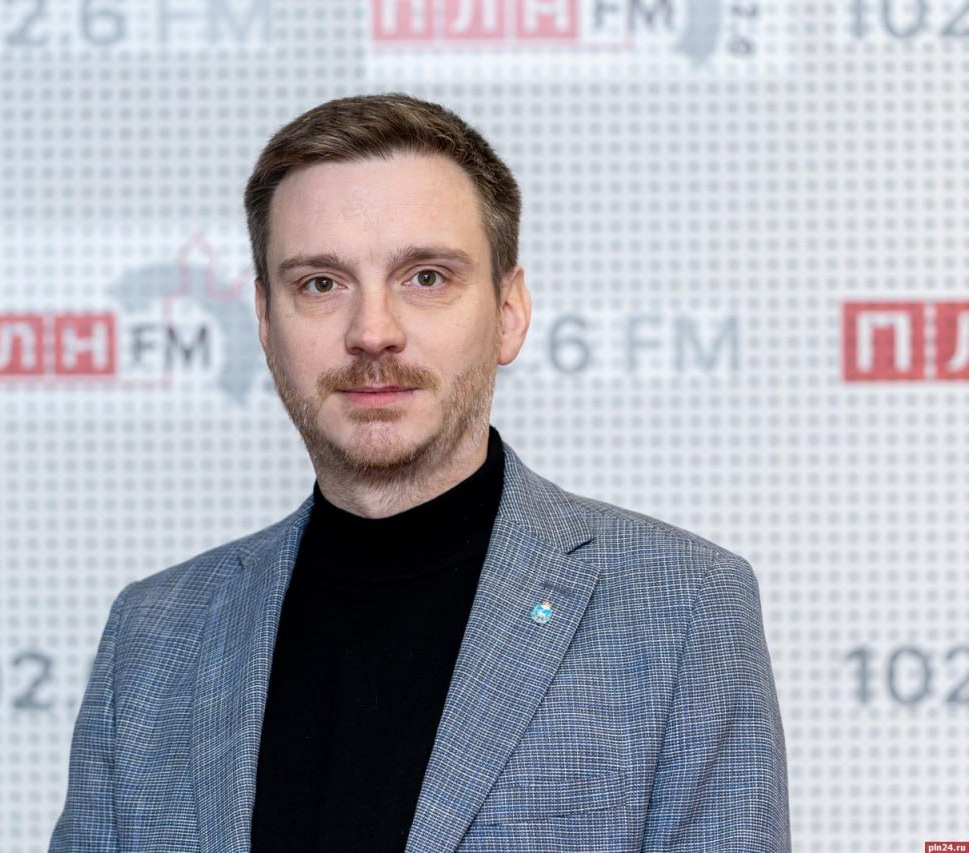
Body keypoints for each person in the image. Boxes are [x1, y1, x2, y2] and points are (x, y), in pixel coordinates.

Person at [49, 92, 790, 852]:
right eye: (321, 284)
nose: (373, 332)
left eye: (426, 277)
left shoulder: (681, 609)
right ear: (266, 324)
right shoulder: (152, 636)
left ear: (508, 313)